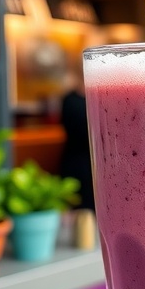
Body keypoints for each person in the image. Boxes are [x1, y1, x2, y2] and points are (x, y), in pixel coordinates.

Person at [59, 58, 95, 211]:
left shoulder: (72, 99)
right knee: (82, 209)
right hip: (79, 162)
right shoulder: (72, 100)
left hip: (83, 160)